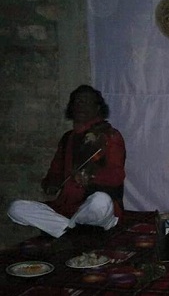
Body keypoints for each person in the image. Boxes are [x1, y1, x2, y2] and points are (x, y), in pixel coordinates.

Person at [8, 85, 126, 238]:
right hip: (67, 208)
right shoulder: (67, 138)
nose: (80, 106)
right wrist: (51, 184)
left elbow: (116, 176)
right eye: (77, 102)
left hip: (96, 209)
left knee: (100, 201)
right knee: (15, 208)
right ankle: (72, 229)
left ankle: (66, 228)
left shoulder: (110, 136)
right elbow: (54, 173)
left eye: (86, 102)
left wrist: (91, 177)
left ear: (97, 108)